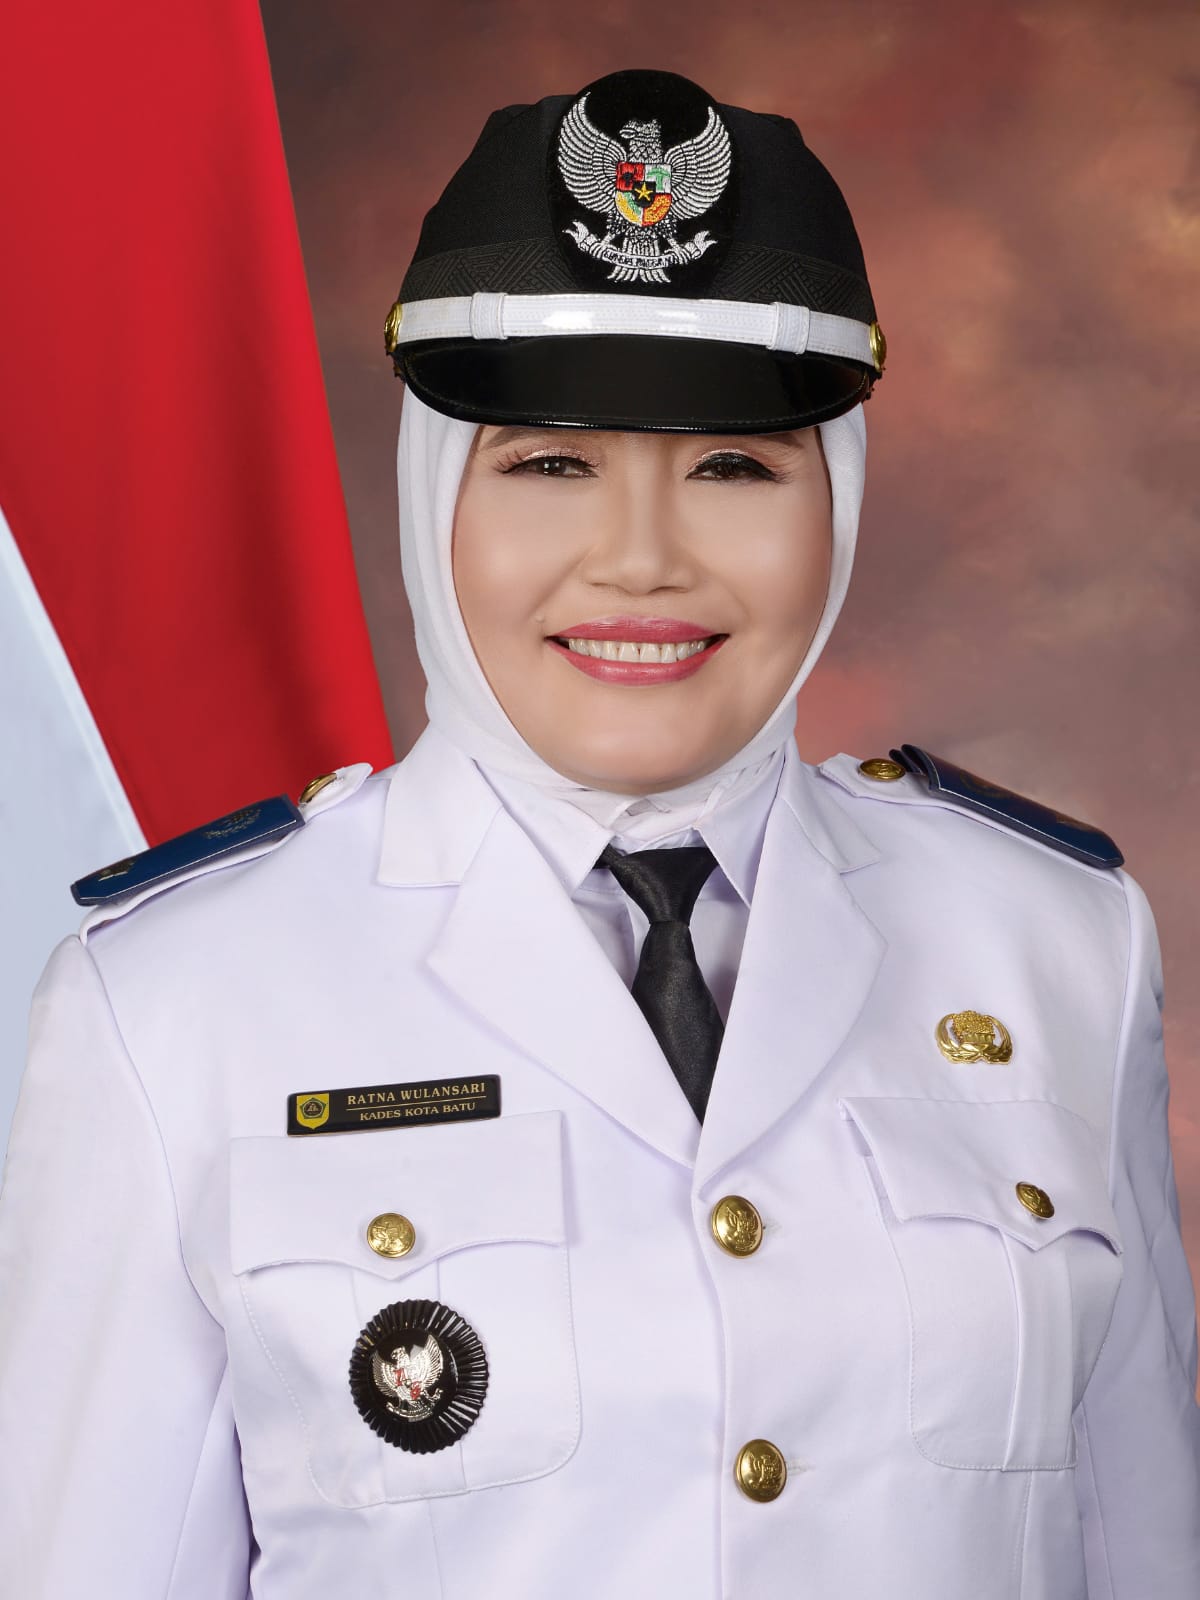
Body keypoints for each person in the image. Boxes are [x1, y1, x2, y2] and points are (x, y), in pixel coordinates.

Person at [1, 65, 1197, 1599]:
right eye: (552, 464)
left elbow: (1144, 1549)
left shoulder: (1055, 947)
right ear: (435, 492)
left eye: (732, 467)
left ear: (837, 502)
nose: (640, 560)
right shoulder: (173, 1003)